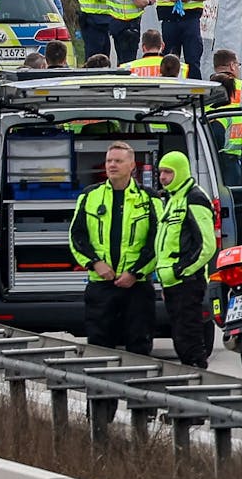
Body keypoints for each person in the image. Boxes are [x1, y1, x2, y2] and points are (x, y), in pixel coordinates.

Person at [68, 140, 158, 355]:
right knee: (99, 346)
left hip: (136, 286)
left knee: (139, 346)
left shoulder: (149, 198)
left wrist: (135, 273)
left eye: (118, 161)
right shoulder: (90, 196)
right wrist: (95, 263)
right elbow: (76, 236)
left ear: (131, 166)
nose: (112, 165)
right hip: (101, 285)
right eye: (109, 160)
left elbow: (157, 241)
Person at [154, 151, 217, 368]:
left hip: (187, 282)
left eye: (168, 172)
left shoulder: (194, 197)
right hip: (173, 282)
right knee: (182, 340)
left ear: (180, 171)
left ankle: (198, 387)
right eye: (161, 171)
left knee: (190, 341)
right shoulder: (173, 198)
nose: (163, 177)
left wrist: (181, 271)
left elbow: (207, 245)